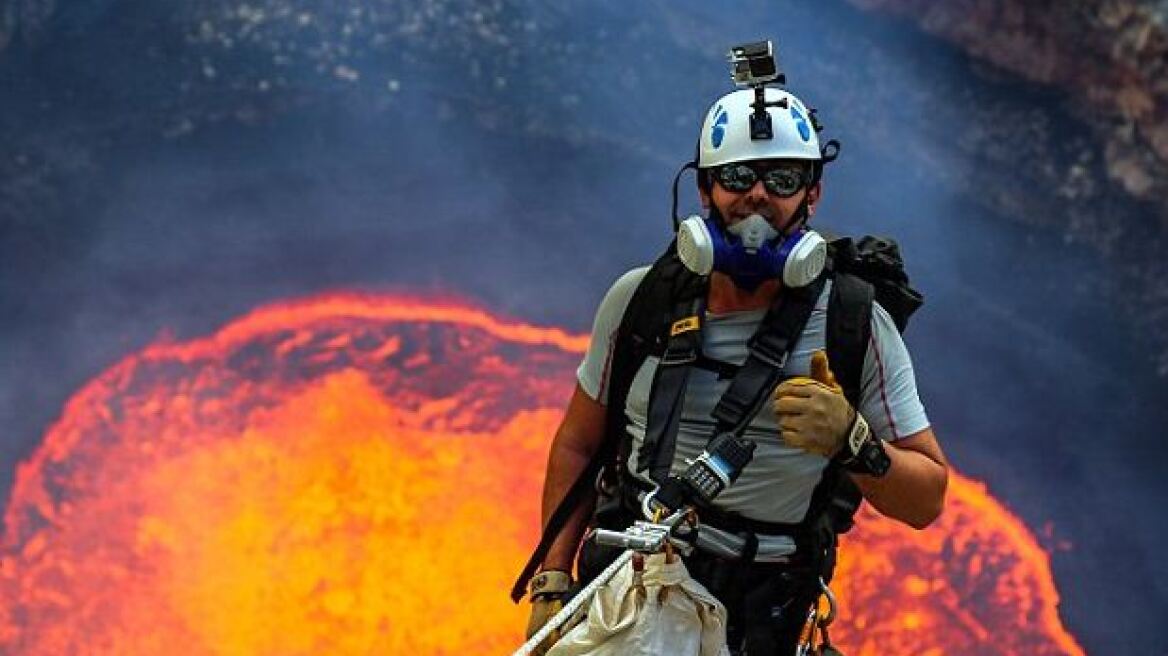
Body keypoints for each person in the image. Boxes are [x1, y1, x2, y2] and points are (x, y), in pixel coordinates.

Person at [520, 69, 949, 656]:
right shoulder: (639, 301)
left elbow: (926, 500)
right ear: (704, 191)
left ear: (812, 194)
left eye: (782, 178)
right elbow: (577, 444)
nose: (757, 197)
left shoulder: (855, 325)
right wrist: (552, 581)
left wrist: (854, 443)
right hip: (628, 584)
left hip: (762, 606)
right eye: (737, 177)